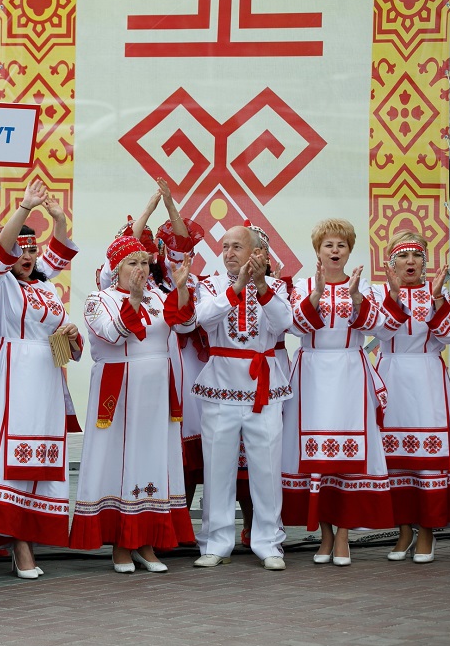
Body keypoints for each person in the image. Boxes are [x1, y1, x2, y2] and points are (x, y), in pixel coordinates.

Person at [0, 180, 81, 577]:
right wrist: (25, 207)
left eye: (32, 250)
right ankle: (18, 544)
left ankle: (30, 534)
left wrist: (71, 336)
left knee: (42, 458)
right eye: (19, 249)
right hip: (13, 372)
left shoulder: (46, 287)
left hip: (47, 376)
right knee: (13, 455)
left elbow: (60, 254)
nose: (26, 256)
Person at [71, 235, 194, 572]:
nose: (140, 269)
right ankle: (121, 544)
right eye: (132, 263)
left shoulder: (159, 296)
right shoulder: (99, 299)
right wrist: (135, 299)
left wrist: (182, 289)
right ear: (116, 268)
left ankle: (146, 541)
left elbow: (185, 324)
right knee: (119, 460)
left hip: (157, 390)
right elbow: (112, 334)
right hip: (120, 391)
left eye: (144, 263)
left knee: (152, 458)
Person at [281, 219, 394, 566]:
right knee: (316, 458)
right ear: (318, 250)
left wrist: (357, 298)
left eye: (341, 245)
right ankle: (325, 534)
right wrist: (315, 295)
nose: (334, 251)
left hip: (349, 372)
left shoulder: (365, 287)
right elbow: (293, 327)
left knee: (349, 455)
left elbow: (381, 328)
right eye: (328, 245)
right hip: (312, 374)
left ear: (349, 251)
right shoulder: (303, 286)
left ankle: (343, 534)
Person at [191, 225, 292, 571]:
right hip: (221, 387)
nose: (229, 253)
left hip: (263, 388)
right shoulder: (211, 285)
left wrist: (260, 285)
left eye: (237, 246)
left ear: (257, 252)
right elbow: (204, 319)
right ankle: (216, 542)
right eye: (225, 246)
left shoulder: (276, 286)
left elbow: (284, 322)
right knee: (217, 468)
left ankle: (269, 543)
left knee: (266, 467)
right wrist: (237, 287)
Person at [373, 231, 450, 562]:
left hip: (426, 379)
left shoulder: (437, 292)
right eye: (403, 256)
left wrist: (436, 300)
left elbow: (448, 336)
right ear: (390, 263)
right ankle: (404, 532)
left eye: (416, 256)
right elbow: (381, 331)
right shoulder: (379, 293)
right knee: (395, 459)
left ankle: (428, 533)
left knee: (427, 458)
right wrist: (393, 295)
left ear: (425, 261)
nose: (410, 262)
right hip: (391, 376)